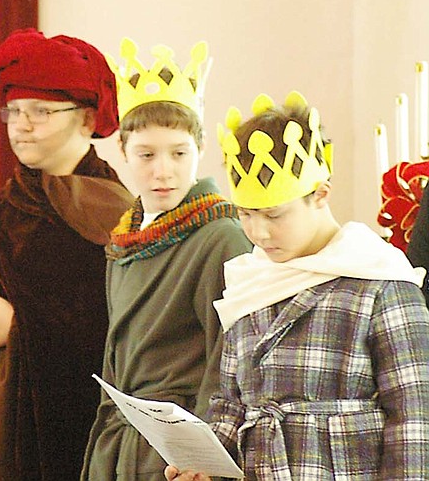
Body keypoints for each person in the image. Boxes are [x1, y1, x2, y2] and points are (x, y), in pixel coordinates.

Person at [165, 91, 429, 480]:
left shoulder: (380, 282)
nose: (258, 232)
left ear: (321, 193)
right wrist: (205, 466)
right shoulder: (248, 284)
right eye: (247, 215)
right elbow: (229, 406)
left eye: (273, 214)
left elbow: (414, 423)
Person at [0, 28, 134, 481]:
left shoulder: (118, 216)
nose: (21, 125)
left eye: (40, 112)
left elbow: (119, 340)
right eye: (14, 111)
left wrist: (16, 327)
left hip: (79, 442)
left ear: (86, 119)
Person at [80, 39, 251, 480]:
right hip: (120, 442)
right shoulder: (125, 240)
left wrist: (202, 454)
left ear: (199, 151)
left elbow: (227, 359)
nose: (163, 171)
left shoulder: (221, 237)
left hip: (178, 452)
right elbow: (114, 361)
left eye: (179, 153)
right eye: (146, 154)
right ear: (122, 152)